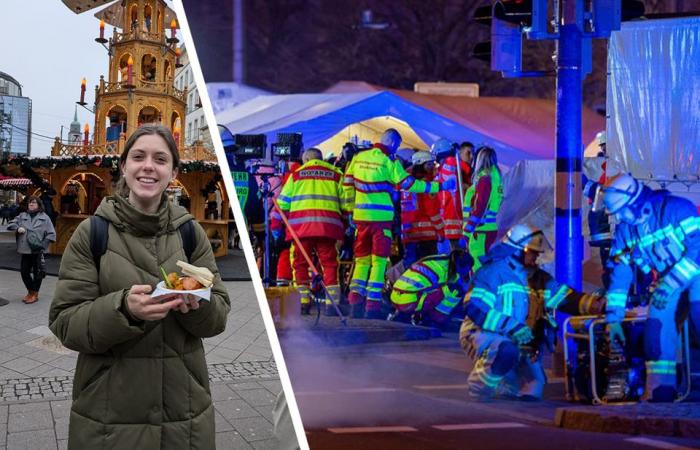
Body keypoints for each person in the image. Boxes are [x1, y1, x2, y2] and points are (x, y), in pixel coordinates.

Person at [49, 124, 231, 448]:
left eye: (160, 159)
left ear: (173, 171)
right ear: (124, 167)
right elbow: (65, 322)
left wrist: (198, 305)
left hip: (184, 415)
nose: (148, 166)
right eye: (138, 156)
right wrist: (124, 310)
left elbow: (218, 316)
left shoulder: (191, 234)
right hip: (108, 417)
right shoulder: (92, 234)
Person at [460, 224, 605, 401]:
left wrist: (595, 305)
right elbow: (475, 307)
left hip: (521, 339)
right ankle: (480, 388)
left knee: (534, 387)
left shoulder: (539, 278)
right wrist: (511, 326)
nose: (536, 256)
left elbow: (566, 298)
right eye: (532, 251)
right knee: (506, 351)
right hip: (484, 334)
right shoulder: (492, 273)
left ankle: (506, 382)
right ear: (516, 250)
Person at [602, 173, 700, 402]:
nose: (620, 217)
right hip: (669, 282)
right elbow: (620, 276)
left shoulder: (677, 209)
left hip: (695, 273)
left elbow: (698, 250)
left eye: (622, 210)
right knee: (655, 328)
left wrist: (671, 283)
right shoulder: (625, 231)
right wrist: (613, 318)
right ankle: (660, 391)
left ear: (635, 202)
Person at [342, 129, 448, 319]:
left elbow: (347, 184)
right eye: (397, 145)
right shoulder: (389, 161)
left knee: (361, 261)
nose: (397, 148)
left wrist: (350, 210)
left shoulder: (358, 158)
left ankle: (354, 302)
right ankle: (372, 306)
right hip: (381, 221)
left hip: (360, 219)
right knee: (379, 262)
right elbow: (409, 184)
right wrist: (438, 186)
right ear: (392, 143)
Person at [276, 148, 344, 316]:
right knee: (329, 264)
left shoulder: (297, 174)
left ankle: (303, 303)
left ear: (306, 158)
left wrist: (276, 224)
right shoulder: (336, 174)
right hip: (327, 227)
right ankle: (331, 305)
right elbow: (346, 202)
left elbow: (282, 203)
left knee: (300, 264)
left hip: (301, 229)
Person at [391, 249, 472, 328]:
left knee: (439, 288)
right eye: (468, 270)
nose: (466, 273)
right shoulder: (446, 271)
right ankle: (436, 319)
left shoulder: (439, 259)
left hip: (395, 296)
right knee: (455, 290)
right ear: (463, 266)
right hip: (408, 302)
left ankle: (405, 314)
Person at [8, 196, 56, 304]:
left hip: (38, 250)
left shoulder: (45, 218)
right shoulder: (22, 216)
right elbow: (11, 224)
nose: (31, 204)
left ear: (39, 205)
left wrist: (42, 246)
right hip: (25, 249)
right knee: (24, 272)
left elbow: (51, 234)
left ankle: (34, 294)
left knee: (37, 273)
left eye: (34, 203)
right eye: (30, 203)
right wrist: (17, 228)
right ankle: (31, 291)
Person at [463, 146, 504, 272]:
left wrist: (466, 233)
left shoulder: (485, 179)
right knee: (484, 265)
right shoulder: (495, 177)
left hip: (480, 230)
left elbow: (479, 208)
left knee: (478, 267)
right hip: (487, 228)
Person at [401, 151, 443, 266]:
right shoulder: (426, 185)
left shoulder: (406, 182)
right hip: (426, 237)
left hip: (408, 235)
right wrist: (441, 231)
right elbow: (432, 210)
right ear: (420, 165)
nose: (432, 167)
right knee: (428, 269)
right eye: (429, 164)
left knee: (410, 269)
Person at [433, 138, 466, 253]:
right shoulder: (442, 169)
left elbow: (451, 164)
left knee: (454, 255)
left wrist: (454, 153)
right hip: (448, 221)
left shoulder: (449, 163)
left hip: (451, 220)